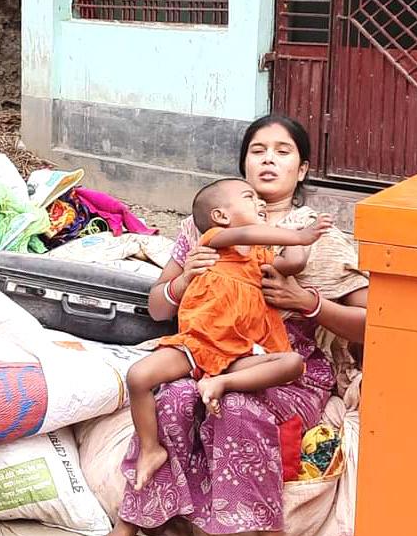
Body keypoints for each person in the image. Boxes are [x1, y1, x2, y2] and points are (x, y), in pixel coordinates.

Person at [76, 114, 370, 536]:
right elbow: (157, 309)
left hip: (282, 363)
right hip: (210, 349)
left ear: (302, 170)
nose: (269, 159)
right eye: (258, 150)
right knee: (169, 400)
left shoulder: (315, 237)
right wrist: (181, 281)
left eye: (283, 151)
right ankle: (131, 524)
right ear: (241, 168)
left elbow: (372, 325)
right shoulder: (202, 229)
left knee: (237, 407)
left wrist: (308, 302)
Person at [125, 178, 328, 491]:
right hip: (198, 343)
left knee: (292, 364)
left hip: (240, 354)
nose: (260, 203)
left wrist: (303, 240)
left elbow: (293, 263)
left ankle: (220, 383)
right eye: (250, 198)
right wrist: (297, 235)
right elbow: (247, 233)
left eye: (261, 200)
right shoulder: (215, 239)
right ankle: (151, 448)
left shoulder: (260, 256)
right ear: (220, 216)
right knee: (139, 376)